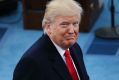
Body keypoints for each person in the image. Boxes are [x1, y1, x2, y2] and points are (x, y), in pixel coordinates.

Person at [13, 0, 89, 80]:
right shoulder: (31, 63)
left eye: (75, 24)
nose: (71, 31)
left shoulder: (75, 48)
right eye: (64, 24)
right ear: (48, 27)